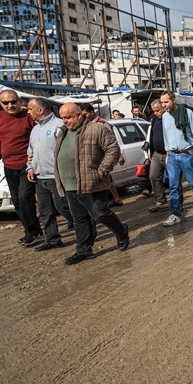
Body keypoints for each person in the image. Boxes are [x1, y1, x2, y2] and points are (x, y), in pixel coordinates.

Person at [53, 103, 129, 265]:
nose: (64, 121)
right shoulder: (63, 132)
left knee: (99, 213)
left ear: (79, 115)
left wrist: (100, 172)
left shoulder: (97, 129)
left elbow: (113, 150)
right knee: (79, 218)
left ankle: (121, 232)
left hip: (92, 182)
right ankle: (84, 250)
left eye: (67, 117)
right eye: (62, 118)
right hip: (70, 184)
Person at [0, 90, 41, 246]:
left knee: (25, 198)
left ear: (19, 100)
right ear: (0, 103)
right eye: (5, 103)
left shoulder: (29, 116)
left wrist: (37, 156)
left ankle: (32, 232)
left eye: (13, 102)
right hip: (9, 165)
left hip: (27, 165)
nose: (10, 105)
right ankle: (33, 229)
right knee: (16, 201)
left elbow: (40, 137)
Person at [26, 98, 74, 252]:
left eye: (30, 109)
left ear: (40, 110)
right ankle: (52, 239)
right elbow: (31, 151)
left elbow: (66, 150)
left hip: (56, 176)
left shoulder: (59, 125)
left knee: (63, 206)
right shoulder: (35, 129)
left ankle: (84, 223)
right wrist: (30, 168)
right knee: (45, 210)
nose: (28, 112)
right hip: (40, 177)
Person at [160, 91, 193, 226]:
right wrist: (167, 152)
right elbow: (166, 135)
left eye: (166, 102)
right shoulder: (165, 116)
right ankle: (175, 214)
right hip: (172, 155)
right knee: (173, 186)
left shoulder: (187, 113)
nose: (164, 105)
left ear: (173, 100)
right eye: (162, 102)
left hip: (186, 154)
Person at [80, 103, 124, 207]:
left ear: (92, 112)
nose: (84, 117)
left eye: (85, 114)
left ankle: (110, 200)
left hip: (104, 155)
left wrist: (119, 154)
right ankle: (116, 199)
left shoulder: (102, 123)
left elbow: (112, 141)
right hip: (94, 155)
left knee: (105, 177)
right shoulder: (86, 125)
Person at [145, 100, 169, 213]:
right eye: (154, 111)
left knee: (174, 179)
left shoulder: (169, 119)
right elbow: (152, 135)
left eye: (157, 110)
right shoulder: (154, 119)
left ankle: (178, 202)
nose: (155, 113)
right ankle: (161, 202)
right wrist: (151, 151)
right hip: (156, 154)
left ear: (163, 108)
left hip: (169, 154)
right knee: (153, 176)